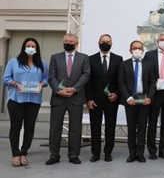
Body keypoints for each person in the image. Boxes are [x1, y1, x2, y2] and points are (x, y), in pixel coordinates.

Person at [3, 37, 48, 167]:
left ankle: (24, 152)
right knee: (15, 127)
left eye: (33, 46)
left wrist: (41, 85)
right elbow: (6, 78)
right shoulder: (14, 62)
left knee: (30, 127)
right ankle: (15, 154)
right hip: (16, 99)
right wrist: (15, 84)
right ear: (24, 47)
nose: (30, 48)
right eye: (28, 45)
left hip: (34, 100)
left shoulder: (42, 63)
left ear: (36, 49)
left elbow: (46, 79)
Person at [46, 33, 90, 165]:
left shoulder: (84, 58)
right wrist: (59, 90)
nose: (68, 43)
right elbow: (51, 77)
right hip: (58, 98)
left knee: (75, 128)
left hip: (75, 97)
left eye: (71, 41)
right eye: (66, 41)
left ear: (76, 44)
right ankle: (54, 154)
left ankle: (73, 154)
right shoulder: (55, 57)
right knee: (55, 128)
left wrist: (74, 88)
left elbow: (86, 75)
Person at [84, 34, 123, 162]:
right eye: (103, 41)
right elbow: (88, 81)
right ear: (98, 42)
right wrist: (89, 99)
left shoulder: (118, 59)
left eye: (108, 41)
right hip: (95, 100)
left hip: (112, 99)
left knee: (110, 126)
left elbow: (120, 80)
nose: (105, 43)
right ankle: (95, 152)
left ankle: (108, 152)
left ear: (111, 44)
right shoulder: (91, 59)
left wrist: (116, 94)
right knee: (95, 126)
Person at [118, 40, 156, 163]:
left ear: (143, 50)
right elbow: (121, 82)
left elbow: (152, 82)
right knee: (131, 128)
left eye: (139, 48)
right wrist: (128, 97)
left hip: (144, 101)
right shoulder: (124, 64)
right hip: (130, 101)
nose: (137, 50)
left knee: (142, 128)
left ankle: (140, 153)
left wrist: (149, 97)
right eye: (135, 48)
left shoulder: (149, 64)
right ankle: (131, 153)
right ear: (130, 50)